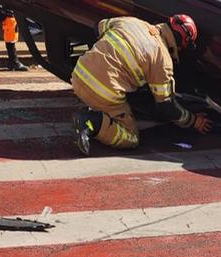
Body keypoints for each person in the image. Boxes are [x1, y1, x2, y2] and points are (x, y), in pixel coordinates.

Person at [69, 14, 211, 155]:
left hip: (78, 75)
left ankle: (96, 109)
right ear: (182, 45)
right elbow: (167, 107)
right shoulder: (162, 60)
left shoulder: (132, 22)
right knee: (131, 138)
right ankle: (92, 121)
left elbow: (98, 27)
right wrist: (194, 121)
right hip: (103, 91)